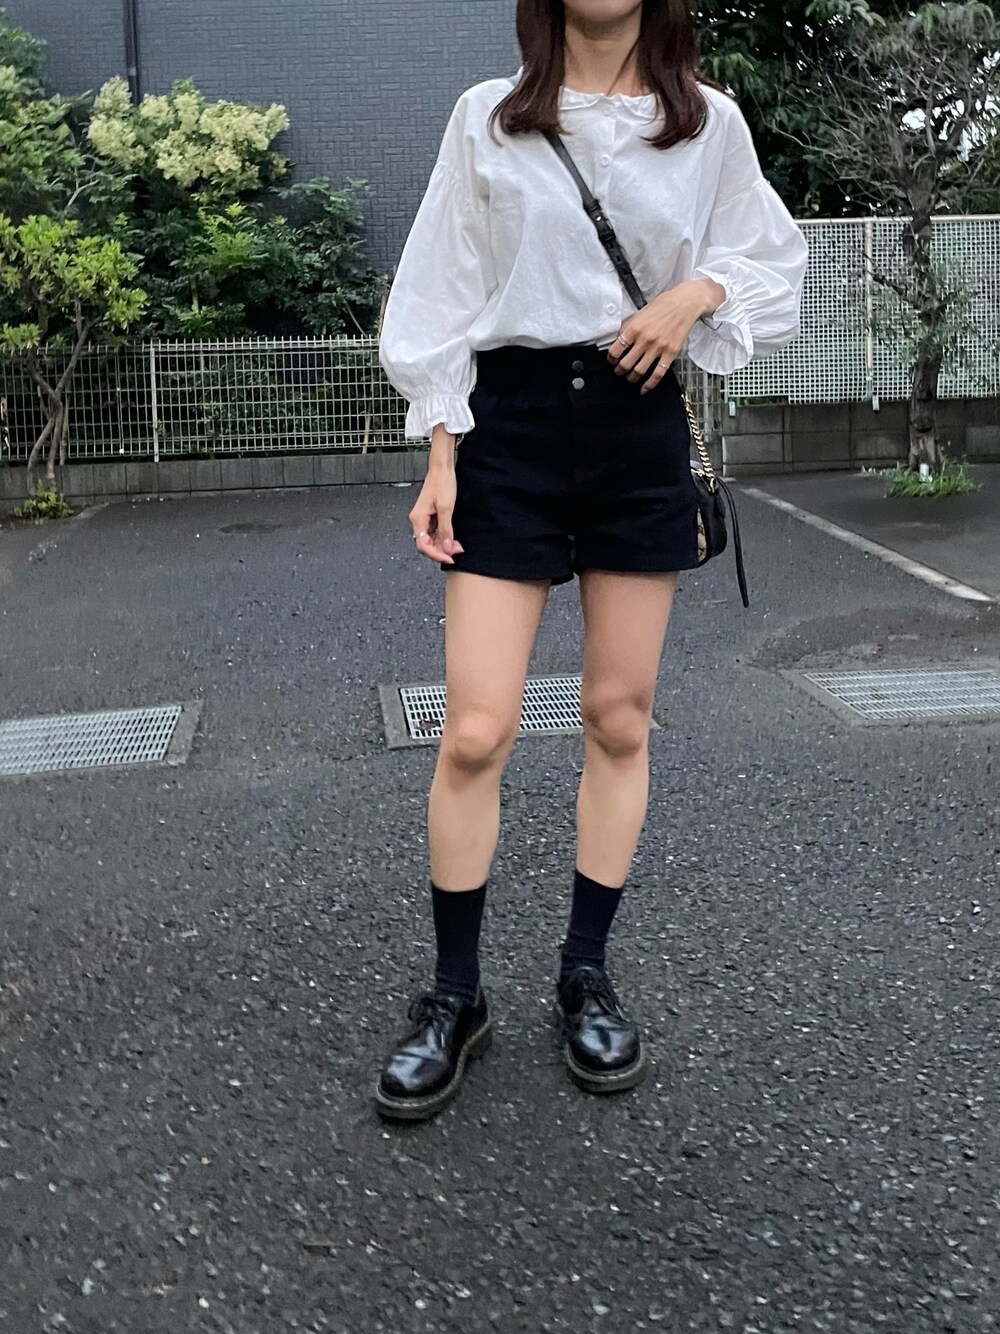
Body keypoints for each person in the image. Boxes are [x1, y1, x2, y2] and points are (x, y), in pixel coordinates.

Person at [375, 0, 808, 1121]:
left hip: (634, 423)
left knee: (619, 717)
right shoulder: (488, 116)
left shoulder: (705, 122)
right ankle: (456, 993)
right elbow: (441, 288)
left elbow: (770, 256)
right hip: (508, 430)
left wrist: (694, 294)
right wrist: (441, 449)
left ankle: (585, 972)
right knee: (476, 727)